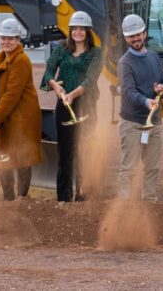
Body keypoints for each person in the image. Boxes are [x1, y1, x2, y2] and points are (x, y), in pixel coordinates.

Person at [40, 11, 103, 202]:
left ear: (88, 31)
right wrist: (57, 87)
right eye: (74, 28)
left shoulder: (96, 53)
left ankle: (83, 196)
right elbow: (49, 72)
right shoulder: (61, 49)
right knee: (65, 151)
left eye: (82, 28)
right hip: (64, 105)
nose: (78, 32)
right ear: (70, 31)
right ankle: (64, 198)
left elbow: (91, 79)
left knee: (84, 150)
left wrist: (72, 94)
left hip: (86, 105)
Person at [0, 18, 42, 200]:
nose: (6, 42)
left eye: (11, 39)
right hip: (6, 115)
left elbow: (12, 93)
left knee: (21, 157)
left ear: (18, 40)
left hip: (21, 117)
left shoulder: (21, 60)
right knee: (4, 156)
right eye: (3, 38)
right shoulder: (0, 57)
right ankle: (8, 198)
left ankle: (21, 199)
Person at [117, 13, 163, 202]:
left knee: (152, 167)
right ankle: (125, 207)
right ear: (125, 38)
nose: (136, 39)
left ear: (145, 33)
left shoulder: (154, 58)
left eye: (138, 34)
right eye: (131, 36)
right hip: (132, 123)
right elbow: (128, 92)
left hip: (154, 123)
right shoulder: (125, 63)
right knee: (129, 168)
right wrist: (147, 101)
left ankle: (150, 203)